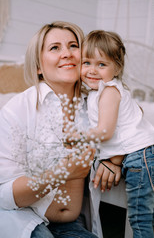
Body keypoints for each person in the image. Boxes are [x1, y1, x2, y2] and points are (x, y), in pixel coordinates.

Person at [0, 21, 100, 238]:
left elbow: (133, 134)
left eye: (73, 46)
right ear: (38, 66)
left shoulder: (96, 106)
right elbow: (4, 195)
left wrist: (114, 161)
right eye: (55, 48)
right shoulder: (17, 109)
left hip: (71, 224)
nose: (67, 53)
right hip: (24, 215)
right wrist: (61, 174)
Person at [79, 29, 154, 238]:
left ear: (117, 68)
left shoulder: (109, 92)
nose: (92, 70)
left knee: (140, 220)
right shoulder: (99, 92)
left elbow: (105, 132)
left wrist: (77, 135)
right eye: (86, 63)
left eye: (102, 64)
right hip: (148, 155)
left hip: (140, 157)